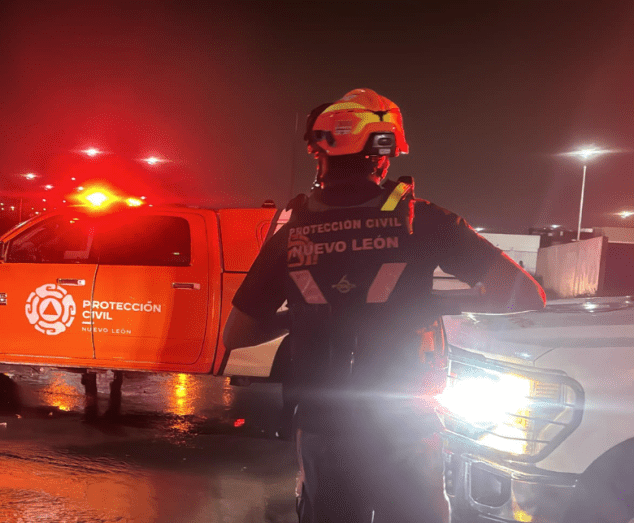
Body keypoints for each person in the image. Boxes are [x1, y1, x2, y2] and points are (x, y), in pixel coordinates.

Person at [223, 88, 545, 523]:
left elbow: (237, 335)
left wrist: (301, 313)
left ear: (320, 155)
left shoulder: (293, 234)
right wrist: (427, 302)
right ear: (384, 154)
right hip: (407, 423)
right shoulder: (424, 220)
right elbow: (526, 295)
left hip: (323, 425)